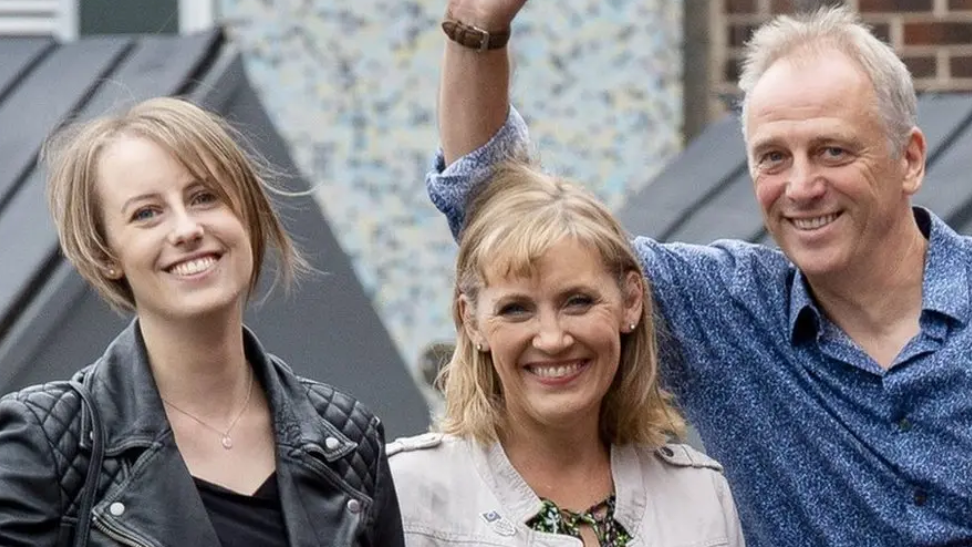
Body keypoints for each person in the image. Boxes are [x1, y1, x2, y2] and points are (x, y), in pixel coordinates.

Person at [425, 1, 972, 546]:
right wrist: (478, 23)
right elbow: (502, 215)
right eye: (774, 157)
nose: (802, 187)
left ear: (910, 160)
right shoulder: (726, 311)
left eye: (832, 151)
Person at [0, 97, 404, 547]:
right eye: (146, 213)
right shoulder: (44, 443)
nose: (187, 228)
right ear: (106, 254)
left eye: (204, 197)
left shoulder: (347, 438)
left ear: (246, 214)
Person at [390, 161, 745, 546]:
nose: (552, 339)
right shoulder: (406, 494)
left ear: (631, 301)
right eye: (516, 309)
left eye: (577, 302)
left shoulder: (701, 496)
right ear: (471, 320)